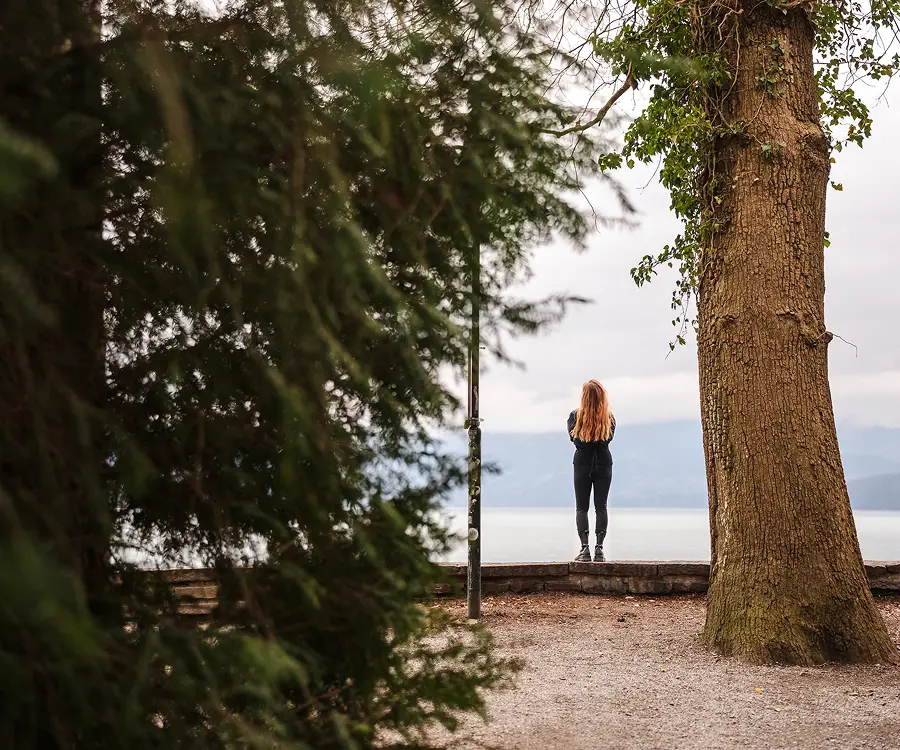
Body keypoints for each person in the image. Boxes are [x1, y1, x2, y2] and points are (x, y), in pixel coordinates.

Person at [567, 379, 615, 562]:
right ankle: (599, 549)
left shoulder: (574, 417)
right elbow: (607, 441)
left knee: (582, 507)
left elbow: (575, 441)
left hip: (582, 464)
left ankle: (584, 549)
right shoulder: (609, 418)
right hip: (604, 464)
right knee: (601, 506)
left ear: (584, 397)